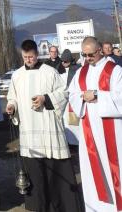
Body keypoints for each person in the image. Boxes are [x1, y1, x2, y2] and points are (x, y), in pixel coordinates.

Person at [6, 40, 82, 212]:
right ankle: (39, 206)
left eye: (31, 56)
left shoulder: (50, 72)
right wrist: (11, 106)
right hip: (29, 132)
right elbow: (13, 97)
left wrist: (45, 99)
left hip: (49, 131)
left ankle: (61, 205)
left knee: (54, 173)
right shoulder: (17, 75)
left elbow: (64, 93)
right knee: (35, 175)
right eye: (25, 57)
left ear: (37, 54)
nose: (29, 60)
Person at [69, 36, 122, 211]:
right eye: (84, 54)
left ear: (99, 50)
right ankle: (95, 206)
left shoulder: (115, 71)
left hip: (112, 132)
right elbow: (72, 94)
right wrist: (81, 97)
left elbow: (120, 98)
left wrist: (98, 95)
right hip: (89, 132)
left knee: (114, 169)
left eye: (90, 54)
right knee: (91, 172)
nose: (87, 58)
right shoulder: (81, 72)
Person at [59, 49, 81, 149]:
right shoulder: (58, 69)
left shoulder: (77, 69)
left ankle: (76, 142)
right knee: (65, 122)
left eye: (66, 61)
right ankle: (67, 143)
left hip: (73, 100)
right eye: (62, 61)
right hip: (63, 101)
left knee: (74, 123)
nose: (63, 63)